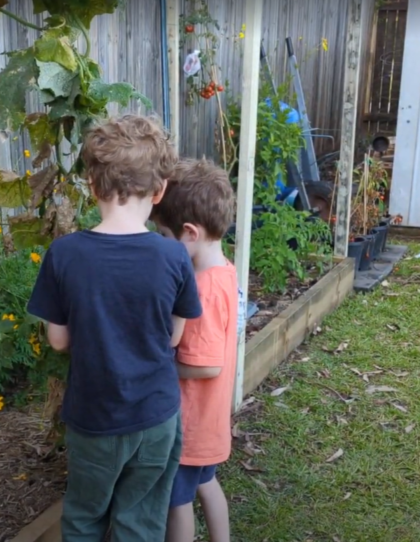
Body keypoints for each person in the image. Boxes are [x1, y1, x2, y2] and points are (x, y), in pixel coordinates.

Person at [26, 115, 203, 542]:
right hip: (154, 417)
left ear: (92, 185)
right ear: (159, 191)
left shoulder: (64, 254)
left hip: (94, 418)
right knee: (140, 520)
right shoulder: (174, 258)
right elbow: (174, 338)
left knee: (85, 516)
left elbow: (58, 340)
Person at [150, 158, 239, 542]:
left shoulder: (200, 291)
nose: (161, 245)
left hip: (192, 426)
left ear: (189, 233)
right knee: (207, 486)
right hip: (212, 421)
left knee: (176, 502)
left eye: (163, 237)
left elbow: (204, 366)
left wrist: (158, 366)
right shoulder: (225, 272)